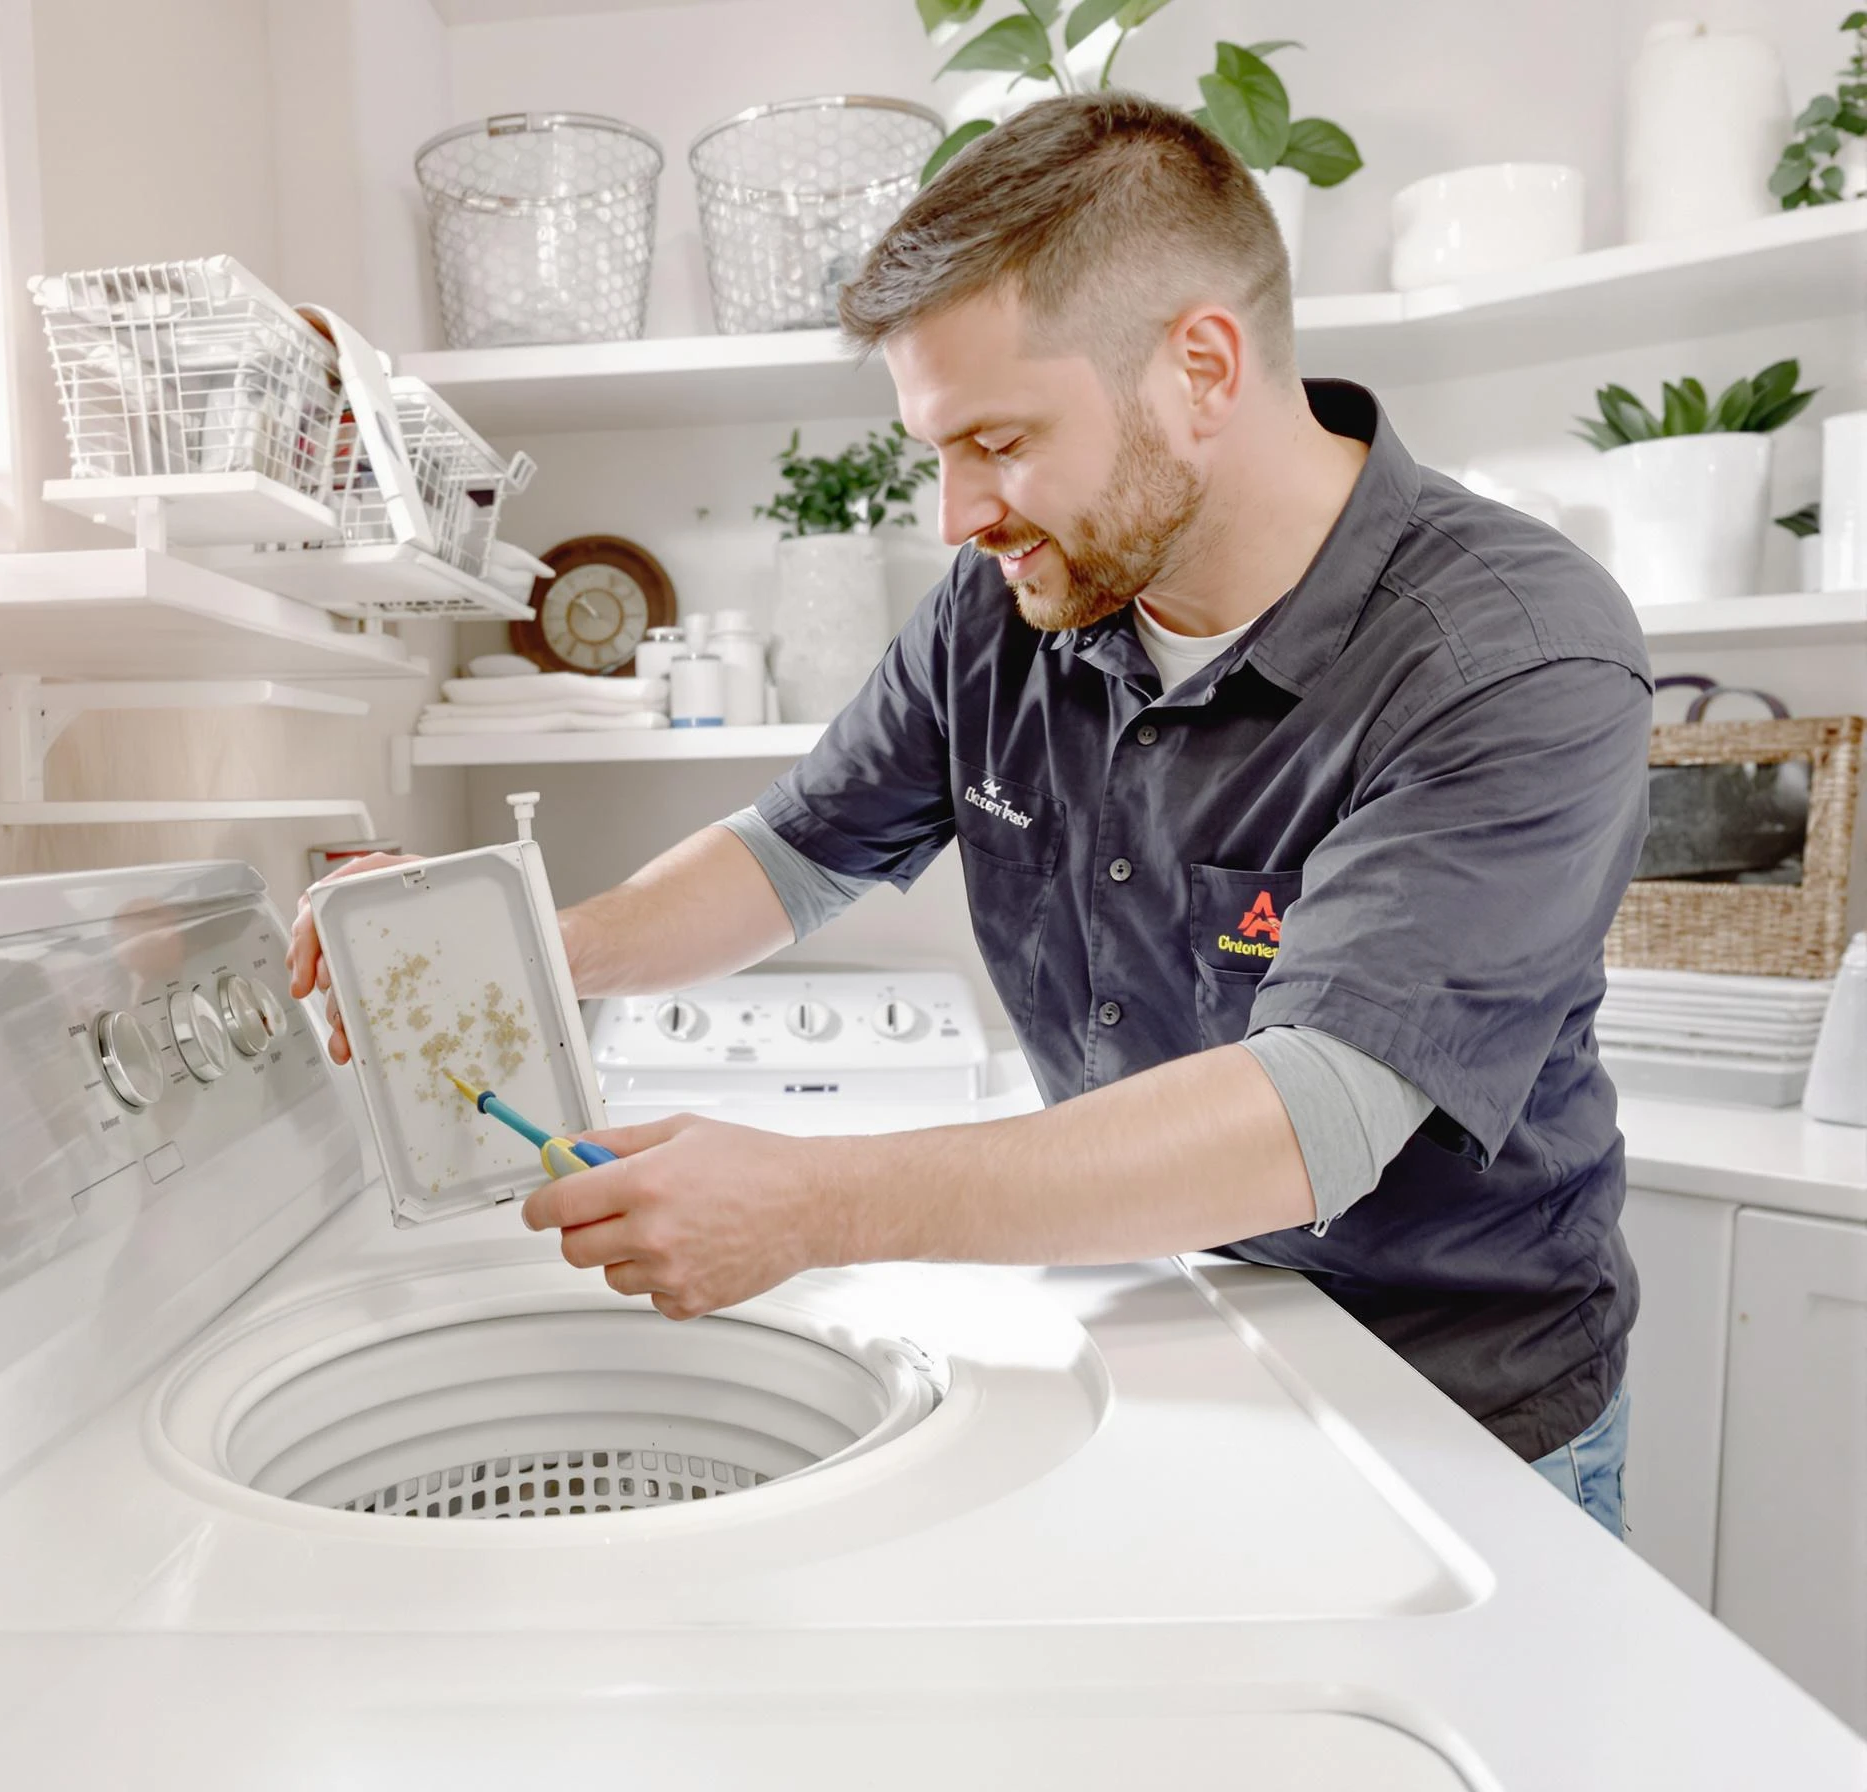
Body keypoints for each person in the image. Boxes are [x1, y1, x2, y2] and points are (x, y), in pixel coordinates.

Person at [292, 92, 1651, 1534]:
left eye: (997, 440)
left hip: (1453, 1413)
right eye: (936, 450)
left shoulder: (1511, 647)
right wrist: (521, 953)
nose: (955, 515)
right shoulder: (1009, 605)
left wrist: (816, 1205)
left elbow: (1303, 1117)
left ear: (1203, 367)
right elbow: (791, 855)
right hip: (1156, 1327)